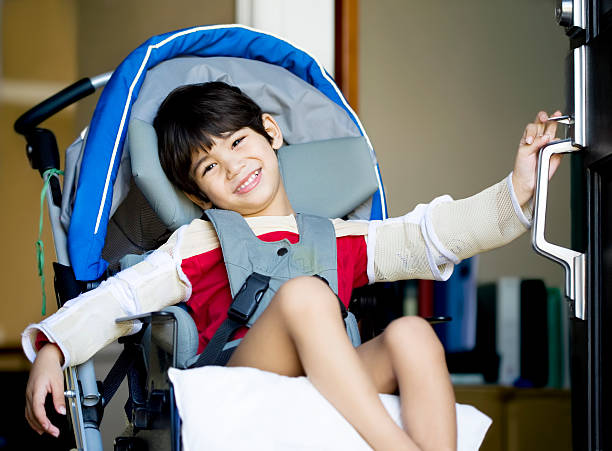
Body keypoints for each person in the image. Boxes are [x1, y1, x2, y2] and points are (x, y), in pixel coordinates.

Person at [24, 81, 562, 451]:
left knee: (415, 334)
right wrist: (54, 346)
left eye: (239, 142)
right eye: (211, 166)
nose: (235, 166)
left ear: (271, 133)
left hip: (334, 374)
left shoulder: (339, 236)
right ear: (199, 194)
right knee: (306, 295)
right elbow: (119, 297)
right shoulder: (197, 241)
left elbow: (431, 236)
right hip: (242, 374)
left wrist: (518, 188)